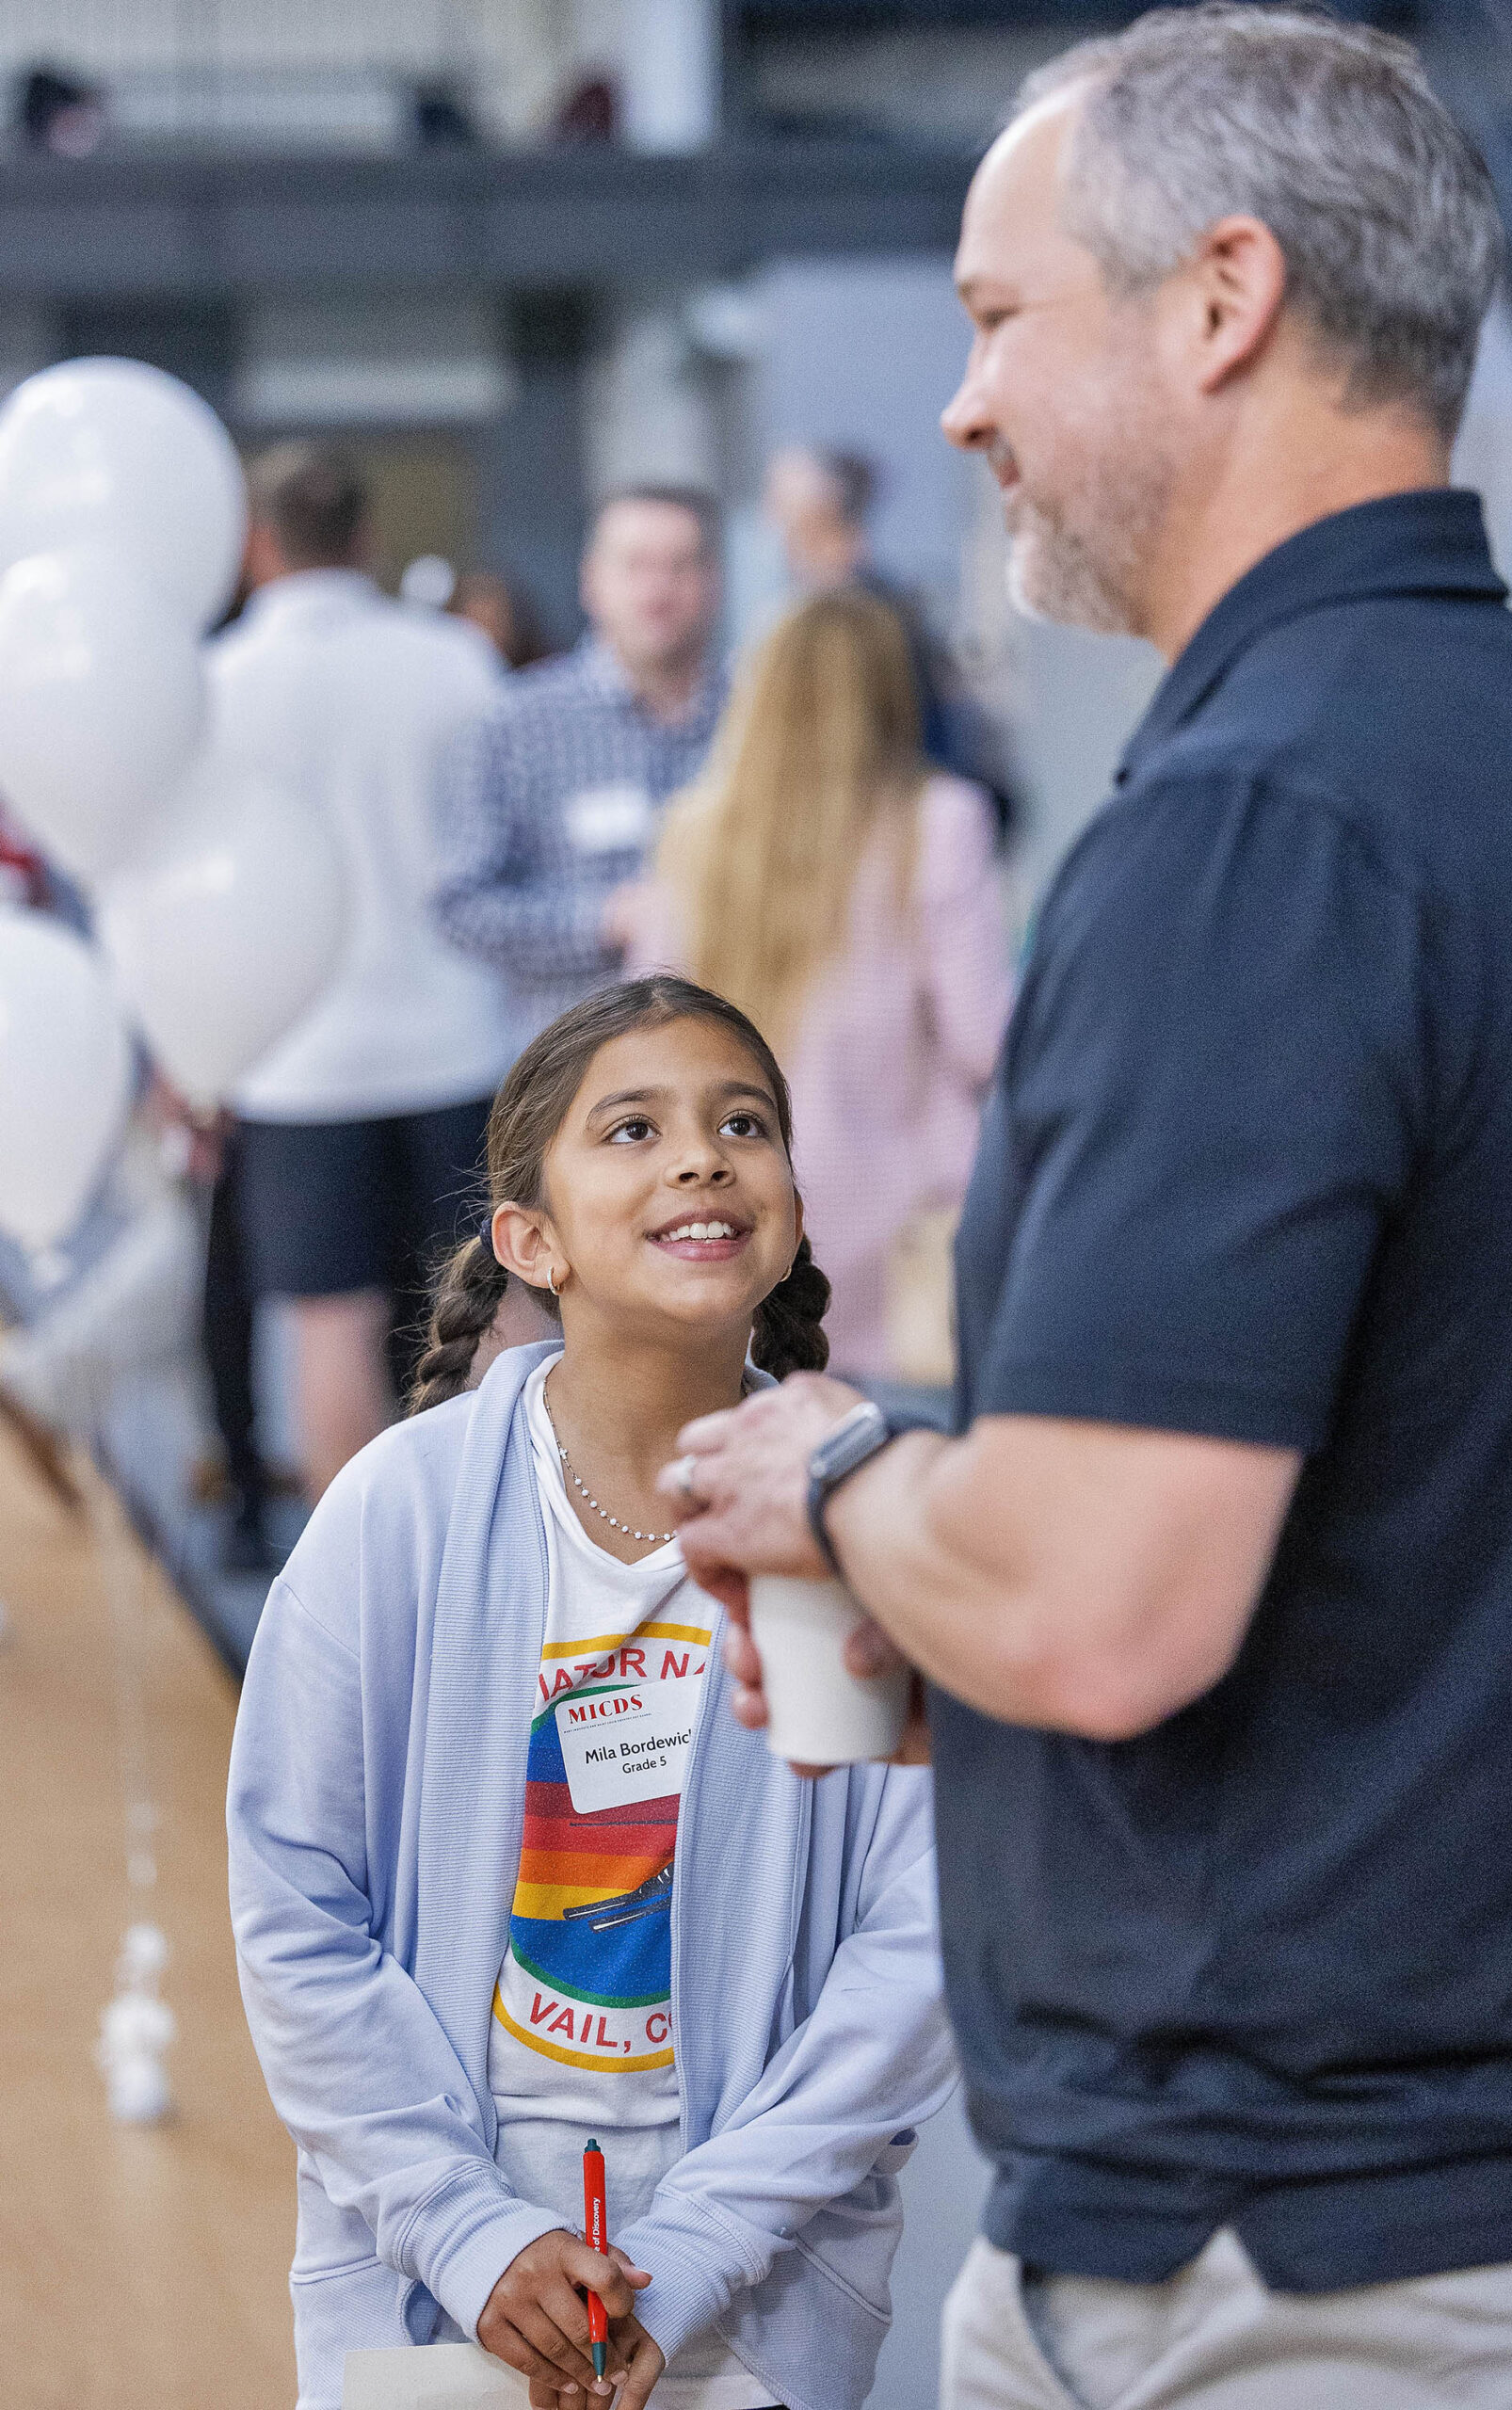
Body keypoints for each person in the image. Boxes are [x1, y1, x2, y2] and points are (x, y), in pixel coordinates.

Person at [659, 11, 1512, 2408]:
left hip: (1297, 2266)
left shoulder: (1252, 833)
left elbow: (1099, 1606)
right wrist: (937, 1561)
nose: (959, 407)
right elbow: (1444, 1495)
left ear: (1218, 299)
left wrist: (845, 1480)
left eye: (997, 318)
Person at [226, 974, 952, 2410]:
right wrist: (470, 2234)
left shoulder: (838, 1527)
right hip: (437, 2281)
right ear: (529, 1240)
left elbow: (910, 1948)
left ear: (791, 1214)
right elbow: (296, 1908)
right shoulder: (403, 1515)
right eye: (633, 1129)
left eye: (741, 1125)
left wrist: (697, 2245)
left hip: (751, 2286)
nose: (700, 1159)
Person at [219, 443, 514, 1500]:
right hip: (456, 1035)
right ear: (367, 537)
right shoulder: (454, 660)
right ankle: (490, 1552)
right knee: (478, 1316)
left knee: (328, 1325)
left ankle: (352, 1577)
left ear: (257, 545)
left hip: (297, 1055)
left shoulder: (216, 685)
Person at [625, 587, 1012, 1381]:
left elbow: (649, 1030)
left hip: (736, 1206)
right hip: (905, 1218)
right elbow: (983, 1039)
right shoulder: (937, 821)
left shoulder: (694, 831)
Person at [434, 488, 727, 1038]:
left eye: (681, 566)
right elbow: (460, 906)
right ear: (592, 581)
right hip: (578, 1061)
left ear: (715, 582)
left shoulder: (756, 721)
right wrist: (604, 920)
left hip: (741, 1056)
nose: (658, 590)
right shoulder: (517, 724)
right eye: (635, 565)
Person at [764, 444, 1015, 836]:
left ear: (820, 520)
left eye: (788, 521)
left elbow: (926, 745)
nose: (778, 536)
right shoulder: (813, 613)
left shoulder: (878, 623)